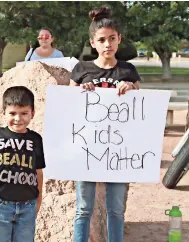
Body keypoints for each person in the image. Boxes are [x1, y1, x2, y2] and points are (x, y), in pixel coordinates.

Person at [69, 7, 141, 242]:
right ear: (93, 43)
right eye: (101, 40)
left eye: (112, 38)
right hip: (88, 147)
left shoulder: (128, 70)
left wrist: (131, 89)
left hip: (118, 150)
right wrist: (81, 91)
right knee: (83, 208)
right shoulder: (81, 70)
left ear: (119, 39)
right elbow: (68, 107)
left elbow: (140, 109)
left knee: (116, 209)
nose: (107, 44)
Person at [0, 86, 46, 242]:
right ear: (4, 112)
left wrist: (39, 199)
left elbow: (38, 171)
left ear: (32, 113)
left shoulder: (35, 139)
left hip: (27, 205)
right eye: (12, 113)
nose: (18, 118)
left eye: (24, 113)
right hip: (0, 204)